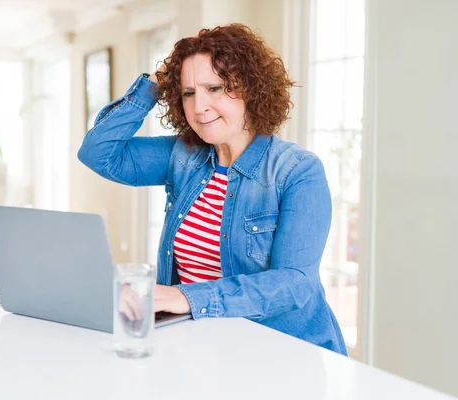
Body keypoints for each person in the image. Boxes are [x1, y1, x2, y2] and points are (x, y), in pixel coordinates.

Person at [78, 23, 347, 355]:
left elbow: (293, 284)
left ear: (250, 88)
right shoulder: (184, 155)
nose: (199, 107)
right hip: (202, 347)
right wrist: (154, 84)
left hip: (283, 352)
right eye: (188, 93)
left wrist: (186, 297)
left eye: (215, 88)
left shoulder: (297, 171)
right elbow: (98, 153)